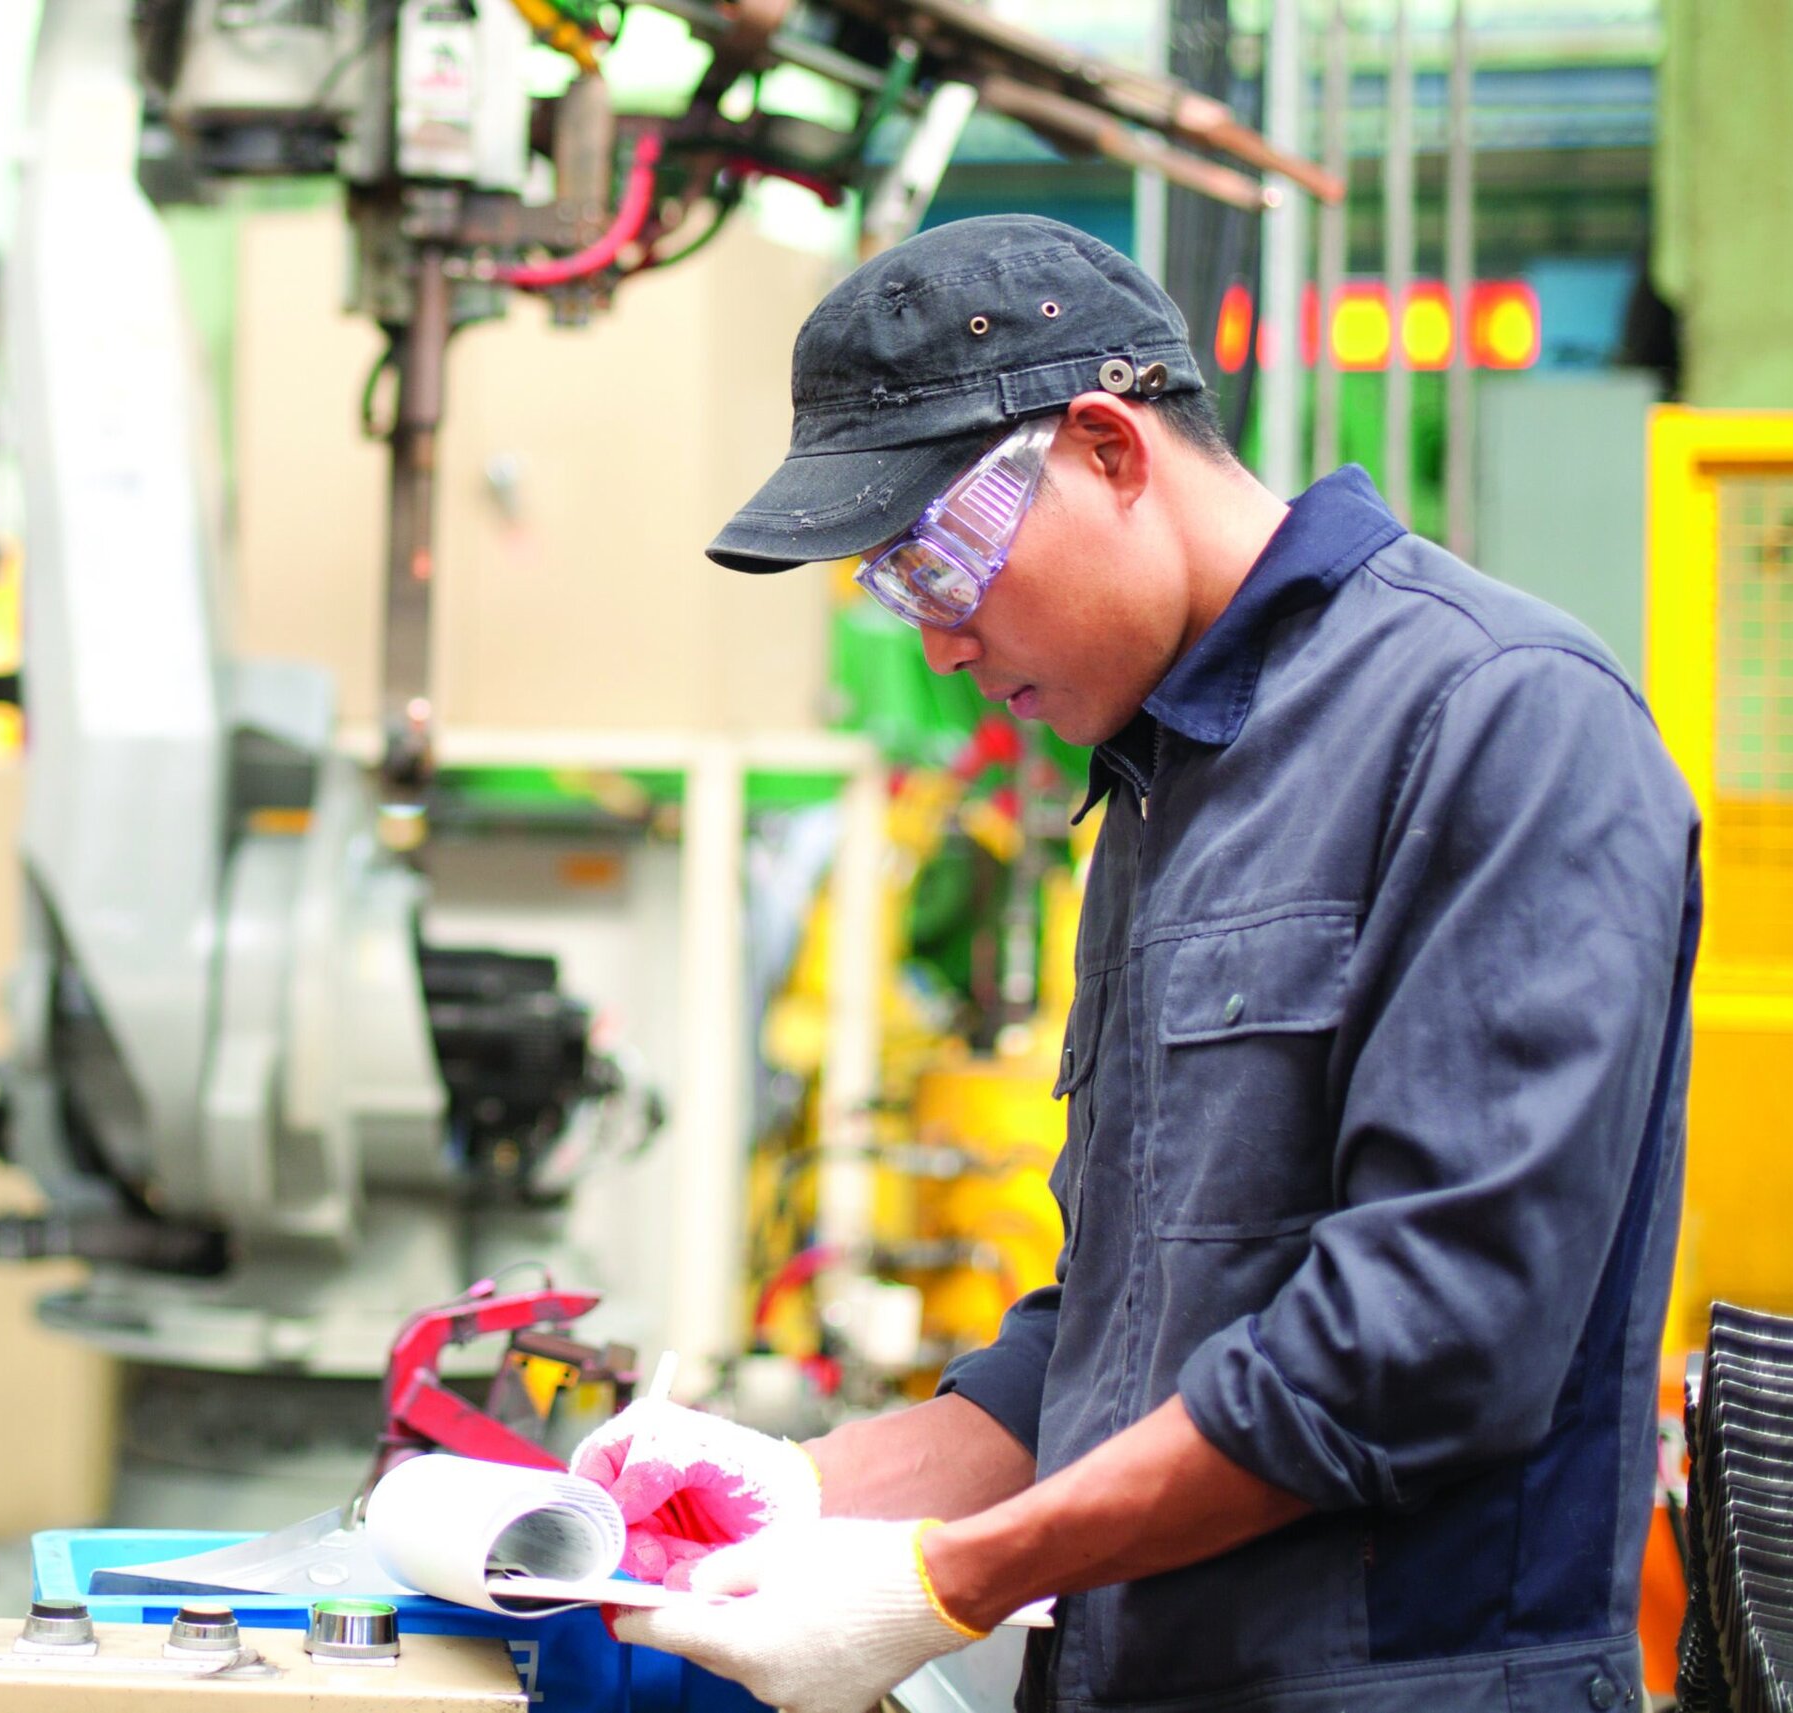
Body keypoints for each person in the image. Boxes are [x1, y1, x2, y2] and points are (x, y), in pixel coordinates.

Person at [576, 214, 1702, 1713]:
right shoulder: (1166, 778)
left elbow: (1418, 1348)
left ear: (1109, 447)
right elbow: (1130, 1326)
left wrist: (947, 1577)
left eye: (942, 555)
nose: (941, 640)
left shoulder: (1501, 724)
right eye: (894, 588)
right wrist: (808, 1484)